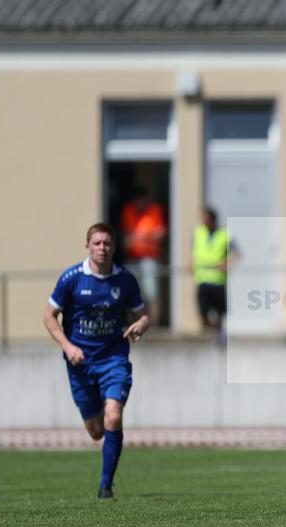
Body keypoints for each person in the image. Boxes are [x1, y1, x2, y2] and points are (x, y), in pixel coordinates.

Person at [43, 223, 149, 499]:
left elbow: (143, 315)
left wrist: (141, 325)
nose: (102, 248)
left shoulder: (125, 279)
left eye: (107, 244)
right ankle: (103, 432)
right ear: (88, 246)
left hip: (114, 358)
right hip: (80, 363)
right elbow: (49, 317)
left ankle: (106, 486)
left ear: (114, 246)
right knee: (95, 430)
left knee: (114, 415)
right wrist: (67, 346)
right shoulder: (72, 278)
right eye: (97, 243)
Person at [191, 207, 239, 339]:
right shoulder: (198, 232)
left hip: (218, 280)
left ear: (212, 220)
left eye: (205, 219)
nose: (202, 222)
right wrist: (191, 264)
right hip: (202, 279)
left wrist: (226, 264)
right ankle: (218, 332)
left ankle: (220, 336)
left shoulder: (225, 234)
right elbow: (194, 251)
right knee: (203, 316)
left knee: (220, 314)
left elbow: (237, 254)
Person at [121, 186, 166, 326]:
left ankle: (153, 324)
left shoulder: (155, 211)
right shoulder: (128, 211)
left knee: (151, 292)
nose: (141, 203)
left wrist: (144, 237)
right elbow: (125, 233)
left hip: (149, 257)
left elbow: (161, 233)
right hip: (132, 257)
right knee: (132, 292)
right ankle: (133, 323)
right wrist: (128, 240)